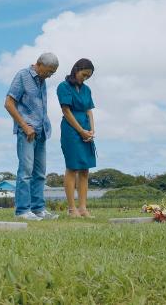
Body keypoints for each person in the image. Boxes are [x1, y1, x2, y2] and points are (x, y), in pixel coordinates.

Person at [4, 53, 60, 221]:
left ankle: (38, 209)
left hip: (41, 131)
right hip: (26, 131)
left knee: (40, 173)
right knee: (26, 172)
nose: (50, 75)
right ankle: (22, 211)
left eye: (53, 73)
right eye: (49, 71)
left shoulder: (42, 81)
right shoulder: (23, 76)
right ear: (39, 64)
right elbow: (8, 103)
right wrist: (24, 126)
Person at [57, 58, 96, 218]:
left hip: (86, 130)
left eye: (88, 76)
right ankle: (72, 209)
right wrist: (80, 131)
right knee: (72, 167)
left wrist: (91, 130)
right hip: (71, 130)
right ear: (76, 69)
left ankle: (83, 208)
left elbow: (89, 110)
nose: (85, 78)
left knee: (85, 169)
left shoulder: (87, 90)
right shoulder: (63, 86)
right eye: (84, 74)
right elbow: (66, 111)